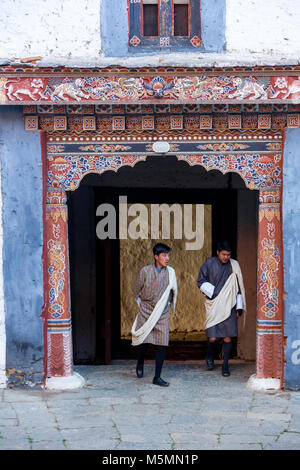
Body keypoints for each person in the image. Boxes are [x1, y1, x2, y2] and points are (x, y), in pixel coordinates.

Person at [197, 241, 246, 377]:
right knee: (212, 338)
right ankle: (210, 356)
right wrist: (214, 293)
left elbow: (238, 286)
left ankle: (225, 365)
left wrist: (239, 306)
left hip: (230, 305)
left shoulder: (234, 265)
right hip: (214, 304)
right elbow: (200, 281)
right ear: (218, 253)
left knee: (227, 338)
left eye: (228, 255)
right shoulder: (209, 263)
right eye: (223, 254)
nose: (226, 257)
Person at [131, 243, 177, 387]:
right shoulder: (145, 271)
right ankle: (140, 363)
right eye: (164, 255)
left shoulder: (170, 272)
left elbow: (173, 291)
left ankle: (157, 377)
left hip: (162, 312)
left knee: (161, 344)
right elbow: (136, 289)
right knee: (143, 342)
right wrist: (144, 305)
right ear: (156, 256)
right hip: (146, 310)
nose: (167, 258)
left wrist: (166, 304)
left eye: (168, 255)